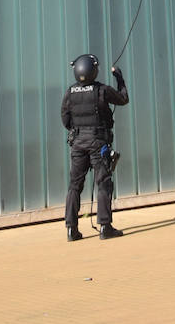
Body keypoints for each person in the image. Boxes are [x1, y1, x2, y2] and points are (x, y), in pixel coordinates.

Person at [61, 54, 129, 240]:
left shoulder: (70, 92)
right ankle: (105, 227)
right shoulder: (102, 90)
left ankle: (71, 229)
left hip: (78, 144)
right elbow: (123, 99)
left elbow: (65, 120)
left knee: (74, 186)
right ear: (94, 70)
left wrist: (79, 133)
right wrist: (119, 78)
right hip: (98, 142)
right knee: (104, 183)